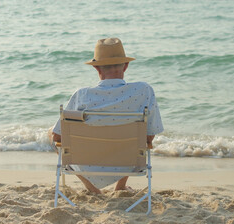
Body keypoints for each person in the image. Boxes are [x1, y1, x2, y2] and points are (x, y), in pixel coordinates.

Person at [49, 37, 164, 194]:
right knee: (135, 138)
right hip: (128, 162)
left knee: (53, 133)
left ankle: (92, 188)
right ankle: (121, 185)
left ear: (97, 69)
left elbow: (58, 137)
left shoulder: (82, 95)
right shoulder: (144, 91)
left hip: (87, 161)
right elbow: (149, 137)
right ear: (126, 66)